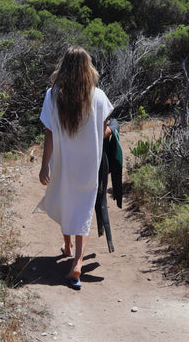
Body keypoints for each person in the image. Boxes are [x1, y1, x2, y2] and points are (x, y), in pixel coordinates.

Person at [35, 46, 114, 290]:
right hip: (90, 164)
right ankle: (77, 261)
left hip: (63, 161)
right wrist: (113, 131)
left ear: (64, 67)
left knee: (66, 201)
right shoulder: (98, 96)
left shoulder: (52, 95)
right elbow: (102, 131)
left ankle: (68, 248)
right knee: (83, 209)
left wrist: (44, 165)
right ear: (87, 67)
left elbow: (49, 132)